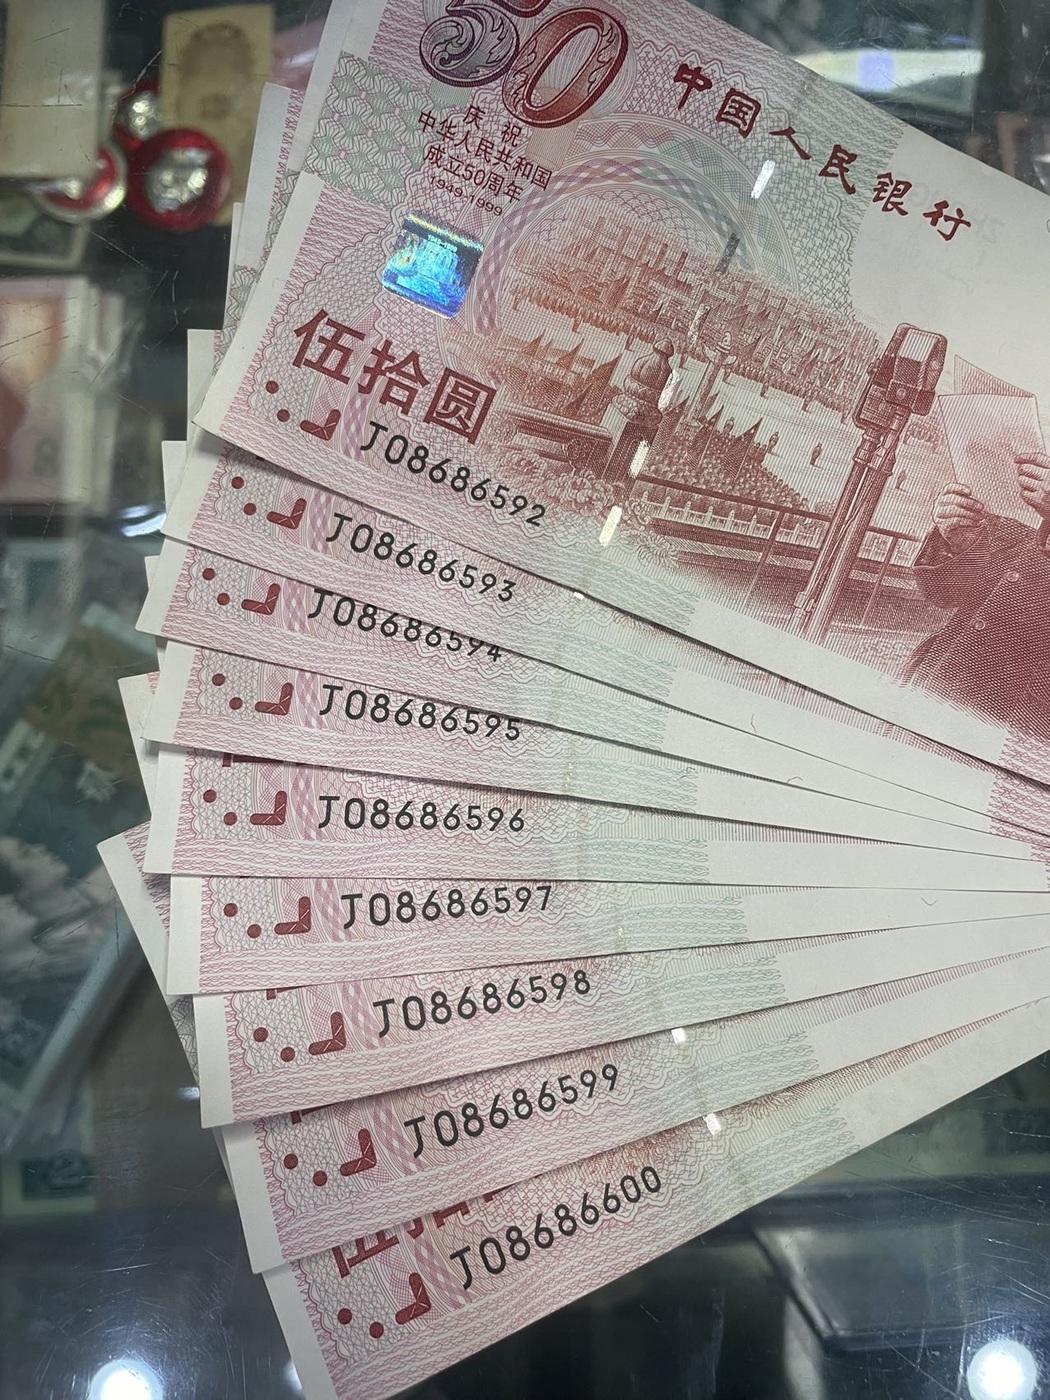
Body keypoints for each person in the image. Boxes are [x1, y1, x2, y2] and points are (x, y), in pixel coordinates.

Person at [905, 454, 1050, 738]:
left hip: (1020, 725)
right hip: (937, 688)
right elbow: (944, 594)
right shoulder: (1015, 528)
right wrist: (956, 541)